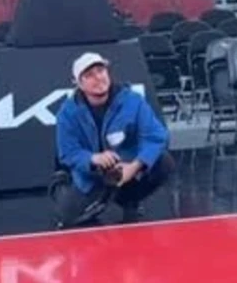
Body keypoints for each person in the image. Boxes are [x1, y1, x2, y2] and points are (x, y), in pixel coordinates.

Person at [52, 52, 173, 228]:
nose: (98, 78)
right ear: (78, 83)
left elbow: (157, 136)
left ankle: (129, 198)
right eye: (89, 75)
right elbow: (68, 152)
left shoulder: (132, 101)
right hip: (92, 175)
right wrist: (93, 159)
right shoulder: (68, 113)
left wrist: (135, 166)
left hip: (126, 168)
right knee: (68, 218)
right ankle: (68, 187)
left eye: (101, 71)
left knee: (164, 162)